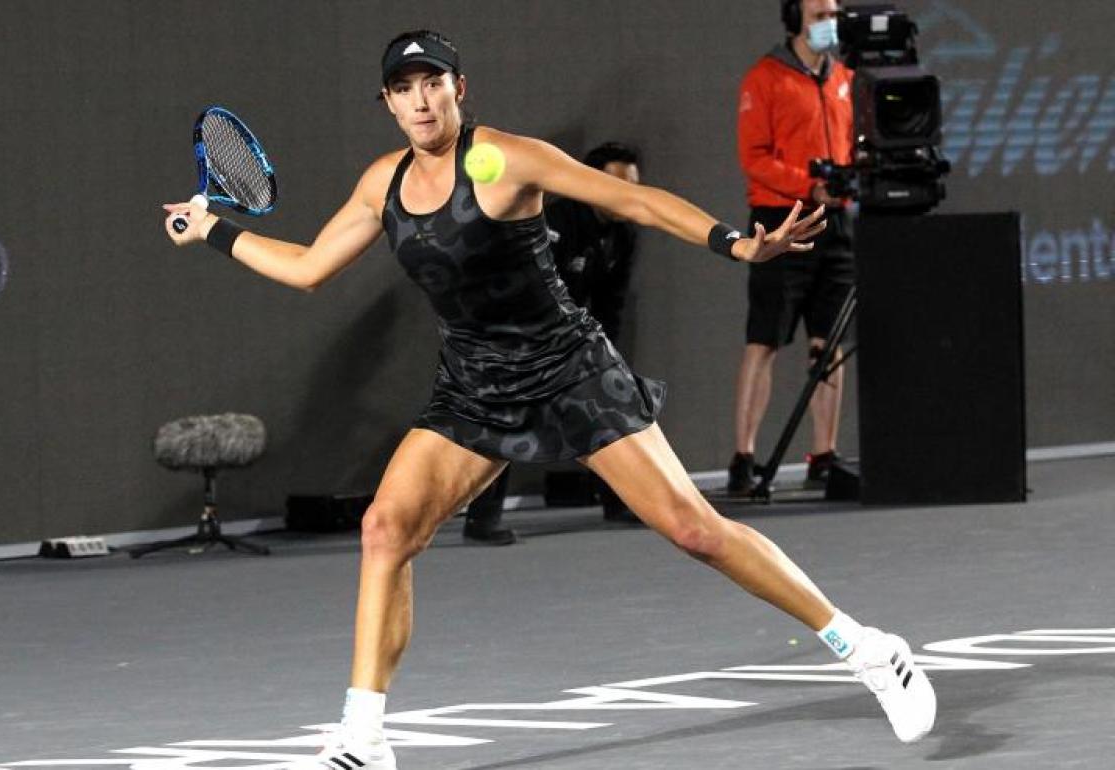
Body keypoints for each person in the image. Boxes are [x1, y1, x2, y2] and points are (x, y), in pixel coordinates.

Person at [162, 29, 935, 769]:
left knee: (694, 531)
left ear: (458, 88)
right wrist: (214, 230)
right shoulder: (382, 183)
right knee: (385, 528)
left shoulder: (507, 158)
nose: (422, 101)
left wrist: (734, 243)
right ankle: (363, 739)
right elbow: (307, 268)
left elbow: (628, 201)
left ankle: (866, 648)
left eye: (433, 83)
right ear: (389, 104)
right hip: (474, 386)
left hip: (569, 371)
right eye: (404, 90)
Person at [462, 142, 644, 545]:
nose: (628, 192)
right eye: (618, 183)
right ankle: (482, 520)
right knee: (508, 421)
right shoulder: (556, 219)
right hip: (515, 331)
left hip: (570, 337)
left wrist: (606, 361)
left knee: (614, 407)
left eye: (634, 184)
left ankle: (619, 502)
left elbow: (611, 302)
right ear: (592, 181)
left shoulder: (624, 235)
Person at [728, 0, 857, 495]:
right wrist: (808, 185)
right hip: (780, 222)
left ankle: (823, 453)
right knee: (764, 340)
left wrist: (842, 185)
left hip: (836, 224)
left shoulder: (844, 77)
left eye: (833, 14)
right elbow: (753, 157)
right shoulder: (765, 78)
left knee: (829, 344)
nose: (829, 23)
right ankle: (744, 456)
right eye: (819, 14)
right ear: (794, 20)